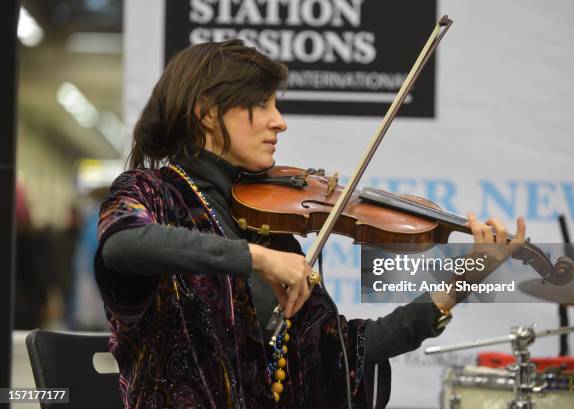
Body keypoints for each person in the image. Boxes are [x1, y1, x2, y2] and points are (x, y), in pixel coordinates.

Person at [95, 39, 526, 409]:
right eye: (261, 104)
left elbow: (340, 353)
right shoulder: (152, 191)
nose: (279, 121)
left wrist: (465, 278)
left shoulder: (265, 221)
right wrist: (257, 259)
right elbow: (122, 244)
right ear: (208, 113)